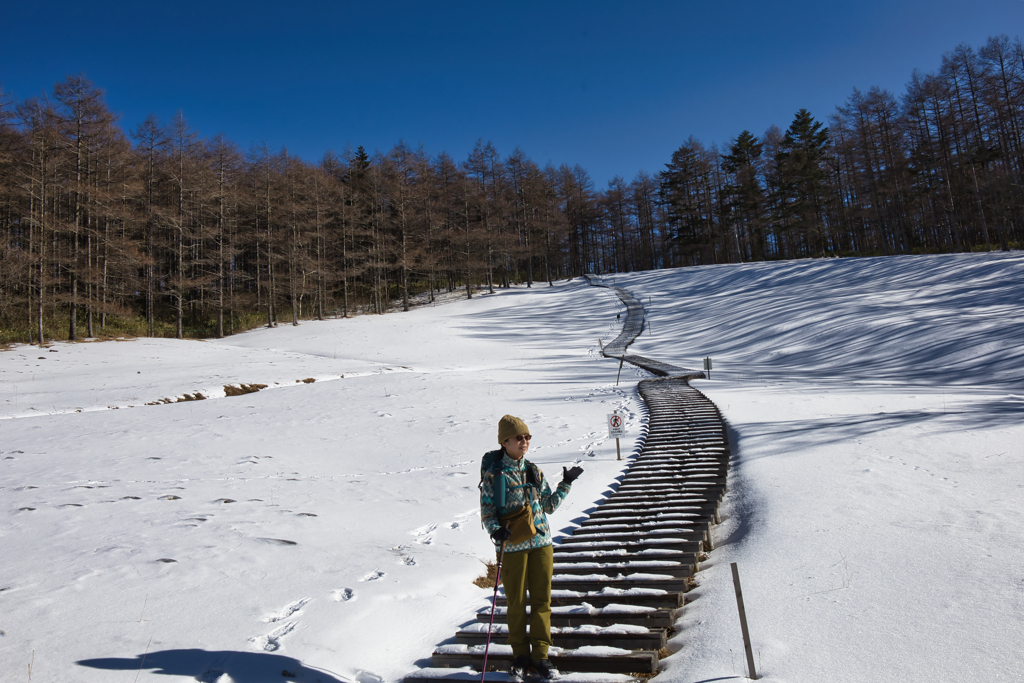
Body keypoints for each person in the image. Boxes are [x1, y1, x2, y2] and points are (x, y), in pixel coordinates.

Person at [479, 414, 583, 680]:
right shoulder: (494, 474)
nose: (524, 441)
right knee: (515, 603)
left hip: (542, 544)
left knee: (542, 601)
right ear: (505, 442)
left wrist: (567, 483)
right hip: (512, 547)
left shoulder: (534, 470)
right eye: (519, 437)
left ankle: (541, 655)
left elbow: (548, 506)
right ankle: (520, 656)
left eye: (527, 437)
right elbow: (487, 512)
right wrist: (496, 531)